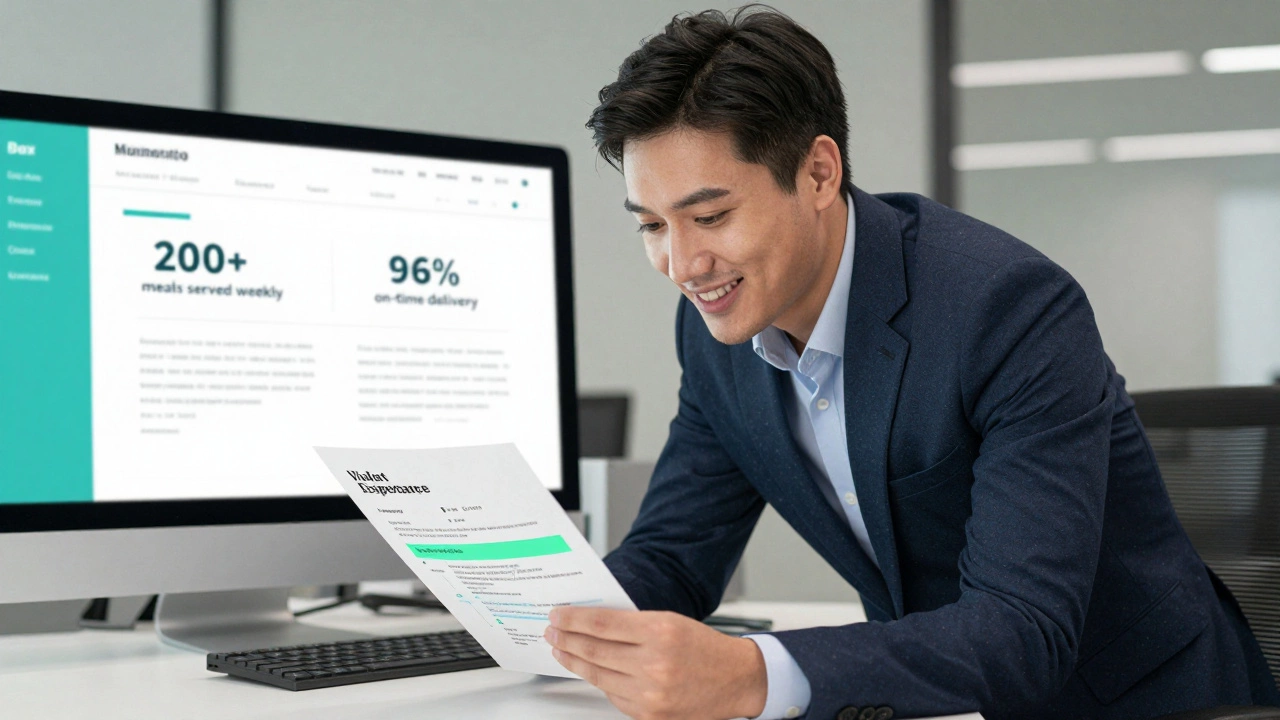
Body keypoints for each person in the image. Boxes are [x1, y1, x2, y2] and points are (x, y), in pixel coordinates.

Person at [541, 6, 1280, 720]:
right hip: (937, 702)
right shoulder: (718, 327)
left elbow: (1021, 631)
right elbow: (674, 556)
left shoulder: (1006, 308)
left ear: (819, 173)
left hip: (1134, 702)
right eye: (650, 225)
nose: (682, 263)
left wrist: (749, 673)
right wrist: (534, 610)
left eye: (710, 217)